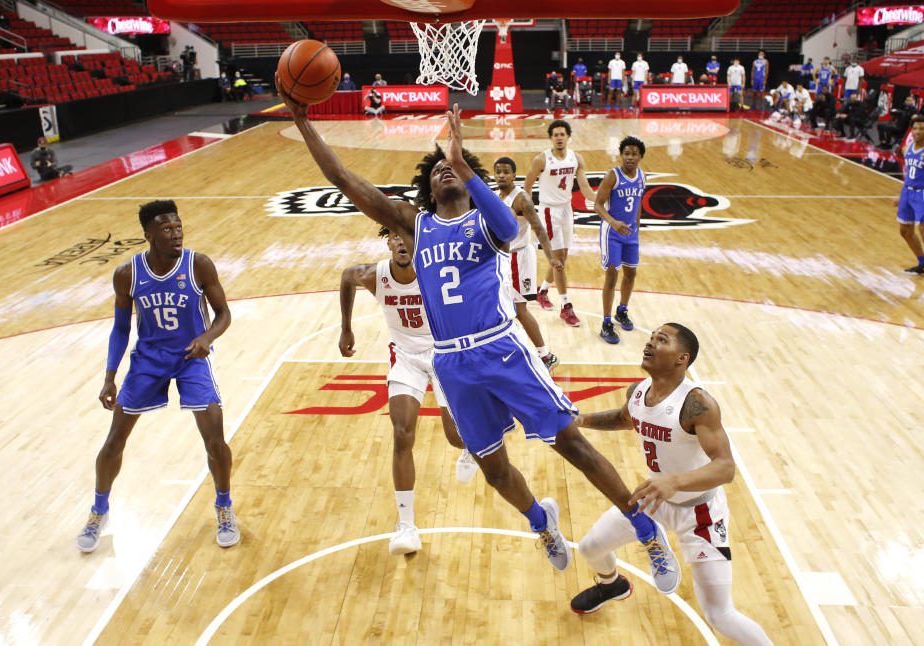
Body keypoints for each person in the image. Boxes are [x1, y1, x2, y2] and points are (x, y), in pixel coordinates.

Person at [279, 86, 681, 592]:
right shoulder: (415, 223)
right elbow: (341, 177)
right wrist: (302, 119)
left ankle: (647, 533)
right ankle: (542, 522)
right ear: (426, 188)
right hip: (450, 363)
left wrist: (462, 162)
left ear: (470, 179)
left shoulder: (484, 221)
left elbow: (510, 226)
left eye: (453, 166)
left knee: (571, 444)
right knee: (492, 469)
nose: (443, 170)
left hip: (501, 348)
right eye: (436, 169)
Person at [570, 324, 773, 646]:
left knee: (719, 614)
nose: (650, 343)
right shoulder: (638, 391)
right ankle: (612, 585)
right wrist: (583, 420)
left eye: (661, 340)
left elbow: (725, 468)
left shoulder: (698, 404)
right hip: (655, 499)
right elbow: (625, 419)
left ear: (682, 358)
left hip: (701, 513)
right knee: (590, 548)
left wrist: (675, 482)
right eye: (651, 338)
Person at [75, 200, 238, 553]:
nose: (176, 233)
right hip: (148, 360)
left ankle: (224, 506)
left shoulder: (198, 265)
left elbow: (224, 313)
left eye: (178, 226)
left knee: (214, 436)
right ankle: (98, 510)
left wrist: (207, 338)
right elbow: (120, 330)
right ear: (149, 235)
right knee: (115, 439)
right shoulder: (127, 274)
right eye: (167, 229)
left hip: (190, 357)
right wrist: (109, 376)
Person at [340, 227, 478, 554]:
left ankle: (470, 444)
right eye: (395, 237)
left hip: (443, 355)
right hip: (405, 357)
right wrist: (347, 327)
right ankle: (406, 526)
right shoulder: (376, 275)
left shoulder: (435, 272)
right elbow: (347, 276)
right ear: (388, 242)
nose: (402, 243)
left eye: (408, 237)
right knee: (402, 434)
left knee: (455, 436)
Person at [525, 119, 598, 327]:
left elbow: (585, 189)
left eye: (562, 134)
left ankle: (543, 291)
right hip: (548, 210)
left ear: (568, 136)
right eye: (555, 134)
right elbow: (527, 186)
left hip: (567, 209)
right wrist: (529, 213)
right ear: (550, 138)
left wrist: (601, 199)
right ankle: (566, 307)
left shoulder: (577, 158)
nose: (559, 137)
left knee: (561, 258)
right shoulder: (542, 159)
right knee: (557, 258)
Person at [493, 156, 562, 371]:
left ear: (514, 175)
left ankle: (545, 355)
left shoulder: (521, 199)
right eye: (498, 171)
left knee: (519, 309)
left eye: (506, 171)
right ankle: (507, 350)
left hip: (519, 258)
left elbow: (539, 228)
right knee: (501, 307)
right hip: (503, 257)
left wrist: (551, 257)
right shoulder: (495, 196)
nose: (502, 175)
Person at [596, 136, 645, 345]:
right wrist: (613, 222)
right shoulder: (612, 176)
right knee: (612, 276)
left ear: (640, 156)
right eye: (626, 153)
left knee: (631, 272)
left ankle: (622, 310)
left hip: (631, 233)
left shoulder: (642, 176)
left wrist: (638, 224)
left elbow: (638, 202)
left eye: (634, 154)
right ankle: (606, 323)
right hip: (612, 233)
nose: (630, 157)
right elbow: (597, 205)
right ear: (621, 155)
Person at [896, 116, 924, 275]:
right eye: (915, 128)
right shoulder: (907, 148)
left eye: (921, 128)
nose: (917, 131)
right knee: (905, 231)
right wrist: (902, 194)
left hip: (922, 193)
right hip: (908, 192)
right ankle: (922, 263)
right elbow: (909, 174)